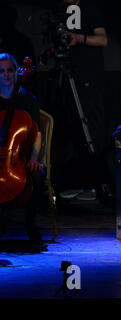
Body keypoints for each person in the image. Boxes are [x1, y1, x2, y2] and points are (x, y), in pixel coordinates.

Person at [53, 0, 109, 201]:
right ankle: (75, 181)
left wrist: (78, 37)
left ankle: (94, 183)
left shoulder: (89, 8)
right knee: (70, 128)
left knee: (90, 129)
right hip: (69, 73)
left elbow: (103, 40)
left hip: (88, 77)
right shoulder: (60, 9)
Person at [0, 53, 44, 242]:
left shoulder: (27, 100)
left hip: (18, 156)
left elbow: (37, 133)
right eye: (1, 71)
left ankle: (30, 224)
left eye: (10, 70)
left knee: (36, 176)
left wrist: (35, 158)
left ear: (16, 73)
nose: (6, 75)